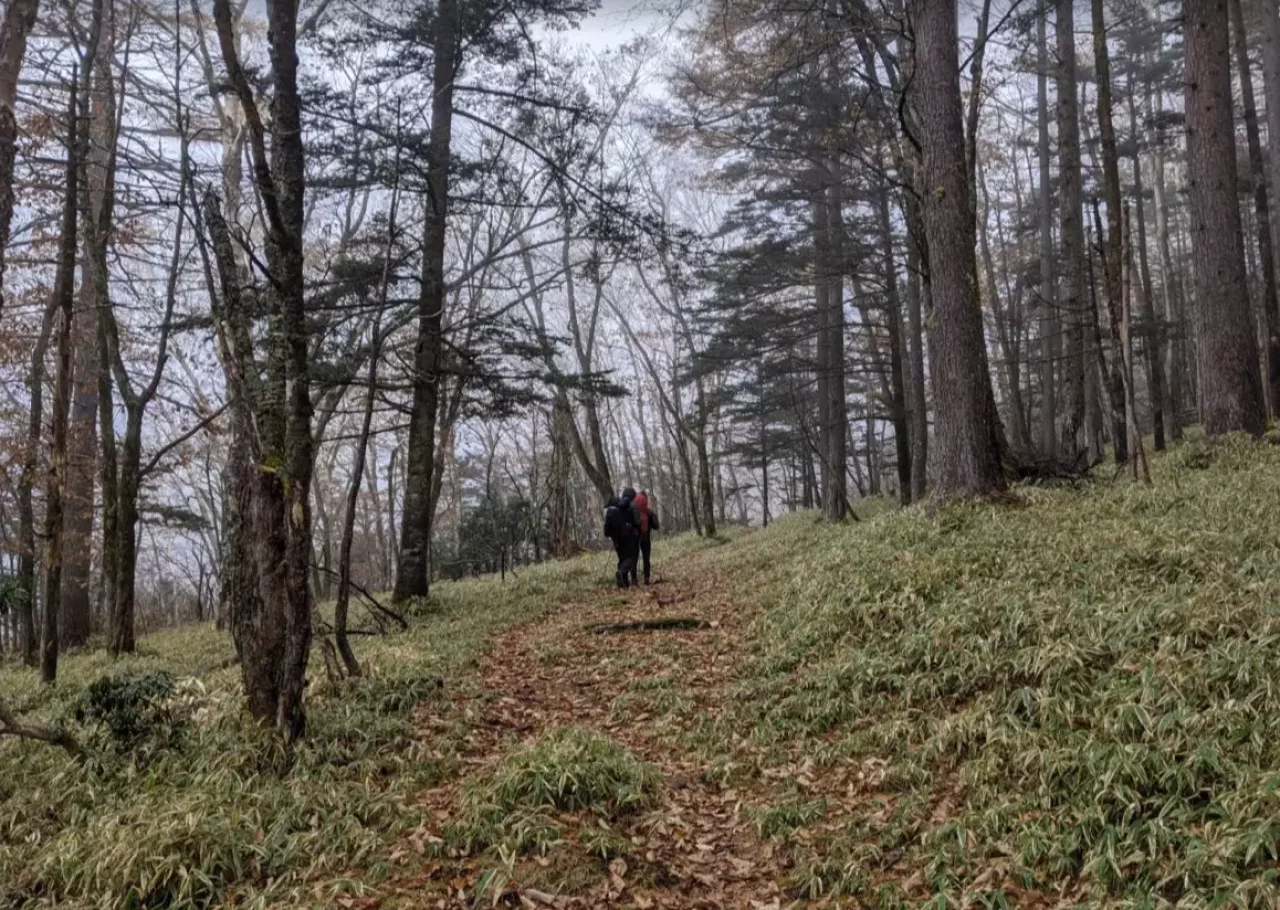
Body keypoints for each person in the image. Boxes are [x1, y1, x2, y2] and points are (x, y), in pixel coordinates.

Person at [603, 493, 639, 589]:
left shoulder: (608, 513)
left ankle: (623, 583)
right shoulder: (621, 510)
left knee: (622, 558)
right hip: (625, 538)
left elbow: (606, 532)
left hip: (616, 540)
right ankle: (621, 573)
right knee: (631, 558)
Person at [632, 489, 660, 584]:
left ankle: (634, 579)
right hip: (646, 537)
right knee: (646, 557)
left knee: (634, 558)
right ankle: (646, 578)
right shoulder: (648, 512)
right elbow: (656, 526)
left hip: (635, 537)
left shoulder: (633, 511)